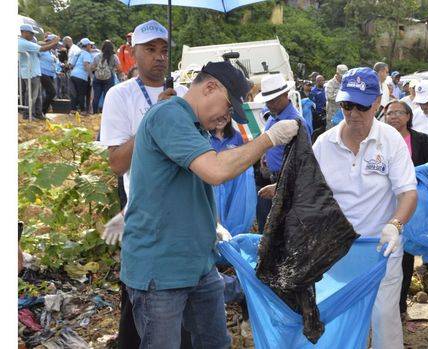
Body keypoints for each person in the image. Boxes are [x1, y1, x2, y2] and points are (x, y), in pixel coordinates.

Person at [121, 57, 299, 347]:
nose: (226, 116)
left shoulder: (196, 128)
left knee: (215, 342)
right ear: (210, 87)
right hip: (161, 269)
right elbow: (215, 170)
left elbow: (194, 186)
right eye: (228, 106)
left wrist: (213, 223)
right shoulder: (168, 115)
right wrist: (268, 139)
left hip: (199, 264)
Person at [260, 67, 418, 348]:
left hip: (380, 249)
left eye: (361, 106)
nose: (353, 114)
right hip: (335, 252)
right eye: (347, 105)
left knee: (383, 318)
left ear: (377, 103)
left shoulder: (391, 141)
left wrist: (394, 225)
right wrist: (283, 191)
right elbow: (310, 187)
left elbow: (407, 192)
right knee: (335, 319)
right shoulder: (325, 143)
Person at [99, 19, 191, 349]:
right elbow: (117, 162)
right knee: (140, 292)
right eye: (150, 50)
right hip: (142, 210)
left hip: (182, 209)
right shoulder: (119, 96)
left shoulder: (182, 94)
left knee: (182, 292)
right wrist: (155, 121)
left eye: (164, 50)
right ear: (133, 53)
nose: (159, 57)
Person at [384, 100, 428, 319]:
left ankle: (401, 307)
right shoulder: (378, 140)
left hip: (412, 205)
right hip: (384, 205)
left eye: (398, 112)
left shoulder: (423, 140)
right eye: (389, 113)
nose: (393, 116)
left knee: (406, 256)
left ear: (408, 116)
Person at [256, 74, 312, 232]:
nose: (270, 105)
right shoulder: (273, 117)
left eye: (274, 100)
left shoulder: (296, 122)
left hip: (285, 182)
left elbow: (303, 162)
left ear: (286, 95)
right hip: (271, 178)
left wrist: (281, 186)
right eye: (268, 101)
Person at [18, 24, 60, 120]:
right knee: (31, 95)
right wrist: (54, 42)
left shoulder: (26, 42)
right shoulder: (23, 43)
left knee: (37, 95)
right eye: (31, 33)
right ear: (24, 32)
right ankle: (28, 115)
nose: (33, 35)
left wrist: (53, 42)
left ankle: (37, 114)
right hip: (30, 72)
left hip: (33, 72)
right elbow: (42, 48)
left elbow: (40, 45)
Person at [92, 40, 121, 113]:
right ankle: (105, 113)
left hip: (97, 78)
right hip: (109, 78)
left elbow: (92, 67)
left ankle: (95, 112)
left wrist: (98, 69)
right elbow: (119, 69)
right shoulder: (114, 57)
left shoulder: (98, 56)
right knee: (107, 96)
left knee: (96, 96)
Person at [70, 38, 95, 113]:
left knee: (74, 94)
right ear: (87, 45)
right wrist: (91, 75)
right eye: (90, 45)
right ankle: (83, 110)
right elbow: (86, 65)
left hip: (73, 75)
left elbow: (71, 65)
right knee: (81, 94)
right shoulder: (86, 54)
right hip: (81, 76)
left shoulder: (78, 53)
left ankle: (73, 109)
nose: (91, 46)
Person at [39, 34, 60, 115]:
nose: (57, 45)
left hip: (50, 74)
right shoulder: (43, 50)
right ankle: (42, 111)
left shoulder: (50, 52)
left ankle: (43, 110)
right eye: (56, 43)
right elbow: (39, 44)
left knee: (49, 93)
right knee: (52, 92)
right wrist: (51, 43)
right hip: (43, 73)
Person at [325, 64, 348, 129]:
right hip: (332, 114)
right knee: (331, 133)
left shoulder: (346, 83)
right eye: (341, 76)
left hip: (343, 114)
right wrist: (342, 97)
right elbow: (330, 97)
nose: (343, 78)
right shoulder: (330, 83)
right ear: (337, 74)